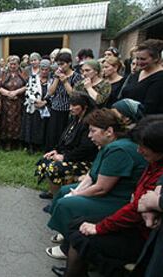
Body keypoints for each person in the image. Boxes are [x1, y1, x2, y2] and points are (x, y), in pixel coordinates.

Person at [54, 116, 163, 277]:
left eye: (143, 147)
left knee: (81, 235)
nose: (138, 151)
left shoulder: (120, 150)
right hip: (135, 218)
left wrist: (99, 227)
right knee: (76, 223)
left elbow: (104, 189)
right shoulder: (153, 163)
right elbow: (138, 201)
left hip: (141, 232)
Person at [46, 108, 147, 259]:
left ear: (109, 131)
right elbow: (92, 175)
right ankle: (67, 232)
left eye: (93, 131)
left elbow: (101, 189)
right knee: (64, 191)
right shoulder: (110, 144)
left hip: (118, 199)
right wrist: (75, 191)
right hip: (110, 191)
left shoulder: (119, 150)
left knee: (67, 203)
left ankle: (69, 246)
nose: (89, 135)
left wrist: (76, 195)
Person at [36, 93, 97, 200]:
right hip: (70, 154)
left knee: (54, 167)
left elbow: (85, 149)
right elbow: (64, 138)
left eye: (74, 106)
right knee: (45, 160)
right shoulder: (75, 119)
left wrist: (64, 157)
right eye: (70, 105)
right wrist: (56, 150)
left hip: (84, 160)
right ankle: (53, 192)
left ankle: (57, 199)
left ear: (85, 106)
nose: (70, 108)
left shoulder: (88, 123)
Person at [45, 53, 82, 151]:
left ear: (69, 63)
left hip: (68, 110)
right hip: (55, 107)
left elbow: (74, 95)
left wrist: (65, 82)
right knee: (53, 132)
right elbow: (51, 92)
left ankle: (62, 151)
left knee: (64, 133)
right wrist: (57, 79)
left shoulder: (76, 76)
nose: (60, 67)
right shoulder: (56, 74)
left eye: (62, 64)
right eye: (58, 64)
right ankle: (51, 150)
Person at [120, 39, 163, 114]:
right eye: (137, 58)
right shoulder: (137, 73)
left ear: (156, 58)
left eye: (143, 59)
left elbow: (149, 108)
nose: (139, 62)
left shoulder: (160, 78)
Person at [21, 59, 51, 153]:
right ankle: (31, 146)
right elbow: (28, 91)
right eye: (42, 69)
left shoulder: (52, 80)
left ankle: (40, 145)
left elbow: (53, 93)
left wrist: (44, 102)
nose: (44, 71)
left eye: (46, 69)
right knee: (32, 125)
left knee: (42, 126)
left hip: (46, 106)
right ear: (40, 69)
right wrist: (36, 101)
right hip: (33, 106)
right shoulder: (33, 78)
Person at [0, 55, 27, 150]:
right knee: (6, 122)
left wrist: (16, 92)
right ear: (8, 64)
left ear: (18, 64)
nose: (13, 66)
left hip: (18, 102)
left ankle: (17, 142)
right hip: (6, 102)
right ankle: (7, 142)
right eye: (11, 64)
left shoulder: (23, 73)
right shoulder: (3, 73)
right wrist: (8, 93)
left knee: (18, 122)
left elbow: (27, 86)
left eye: (15, 64)